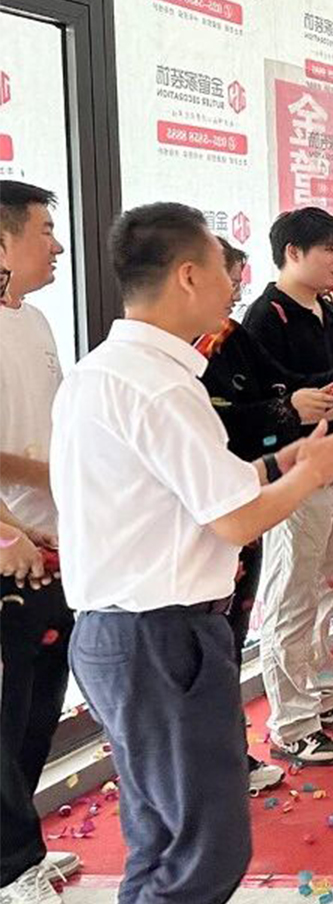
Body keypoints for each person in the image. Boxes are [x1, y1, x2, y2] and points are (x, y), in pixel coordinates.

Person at [52, 203, 333, 904]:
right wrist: (312, 474)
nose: (235, 284)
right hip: (161, 637)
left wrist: (284, 462)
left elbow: (188, 491)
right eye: (224, 270)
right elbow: (234, 520)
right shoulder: (161, 385)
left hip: (123, 633)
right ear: (187, 275)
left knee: (161, 838)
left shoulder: (102, 371)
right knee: (206, 847)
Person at [241, 208, 333, 764]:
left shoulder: (331, 310)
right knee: (291, 597)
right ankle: (292, 722)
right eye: (327, 249)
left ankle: (324, 697)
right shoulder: (265, 316)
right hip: (295, 476)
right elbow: (279, 396)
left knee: (328, 588)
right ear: (292, 253)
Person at [205, 236, 333, 784]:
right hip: (223, 507)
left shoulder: (231, 333)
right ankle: (269, 734)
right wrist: (286, 414)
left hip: (251, 487)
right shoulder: (167, 363)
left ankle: (230, 755)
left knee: (232, 634)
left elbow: (284, 385)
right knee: (223, 636)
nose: (235, 289)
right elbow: (222, 420)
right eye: (227, 277)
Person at [0, 181, 78, 902]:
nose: (56, 245)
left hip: (50, 537)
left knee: (36, 708)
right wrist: (9, 530)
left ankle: (21, 848)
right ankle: (11, 861)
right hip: (10, 547)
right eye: (43, 231)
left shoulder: (37, 320)